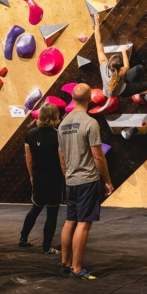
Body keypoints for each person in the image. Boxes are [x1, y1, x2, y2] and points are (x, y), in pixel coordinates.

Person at [58, 84, 114, 280]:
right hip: (87, 181)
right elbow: (98, 157)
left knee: (70, 220)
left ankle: (65, 263)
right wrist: (107, 180)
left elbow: (62, 157)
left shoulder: (63, 124)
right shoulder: (90, 123)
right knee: (83, 223)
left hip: (71, 181)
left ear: (72, 98)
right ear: (90, 99)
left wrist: (68, 176)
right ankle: (77, 268)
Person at [19, 104, 64, 255]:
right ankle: (45, 248)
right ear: (55, 117)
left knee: (35, 208)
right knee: (52, 214)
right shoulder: (58, 135)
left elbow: (29, 159)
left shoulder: (30, 134)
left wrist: (31, 175)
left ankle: (23, 239)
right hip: (54, 179)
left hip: (38, 178)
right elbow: (62, 159)